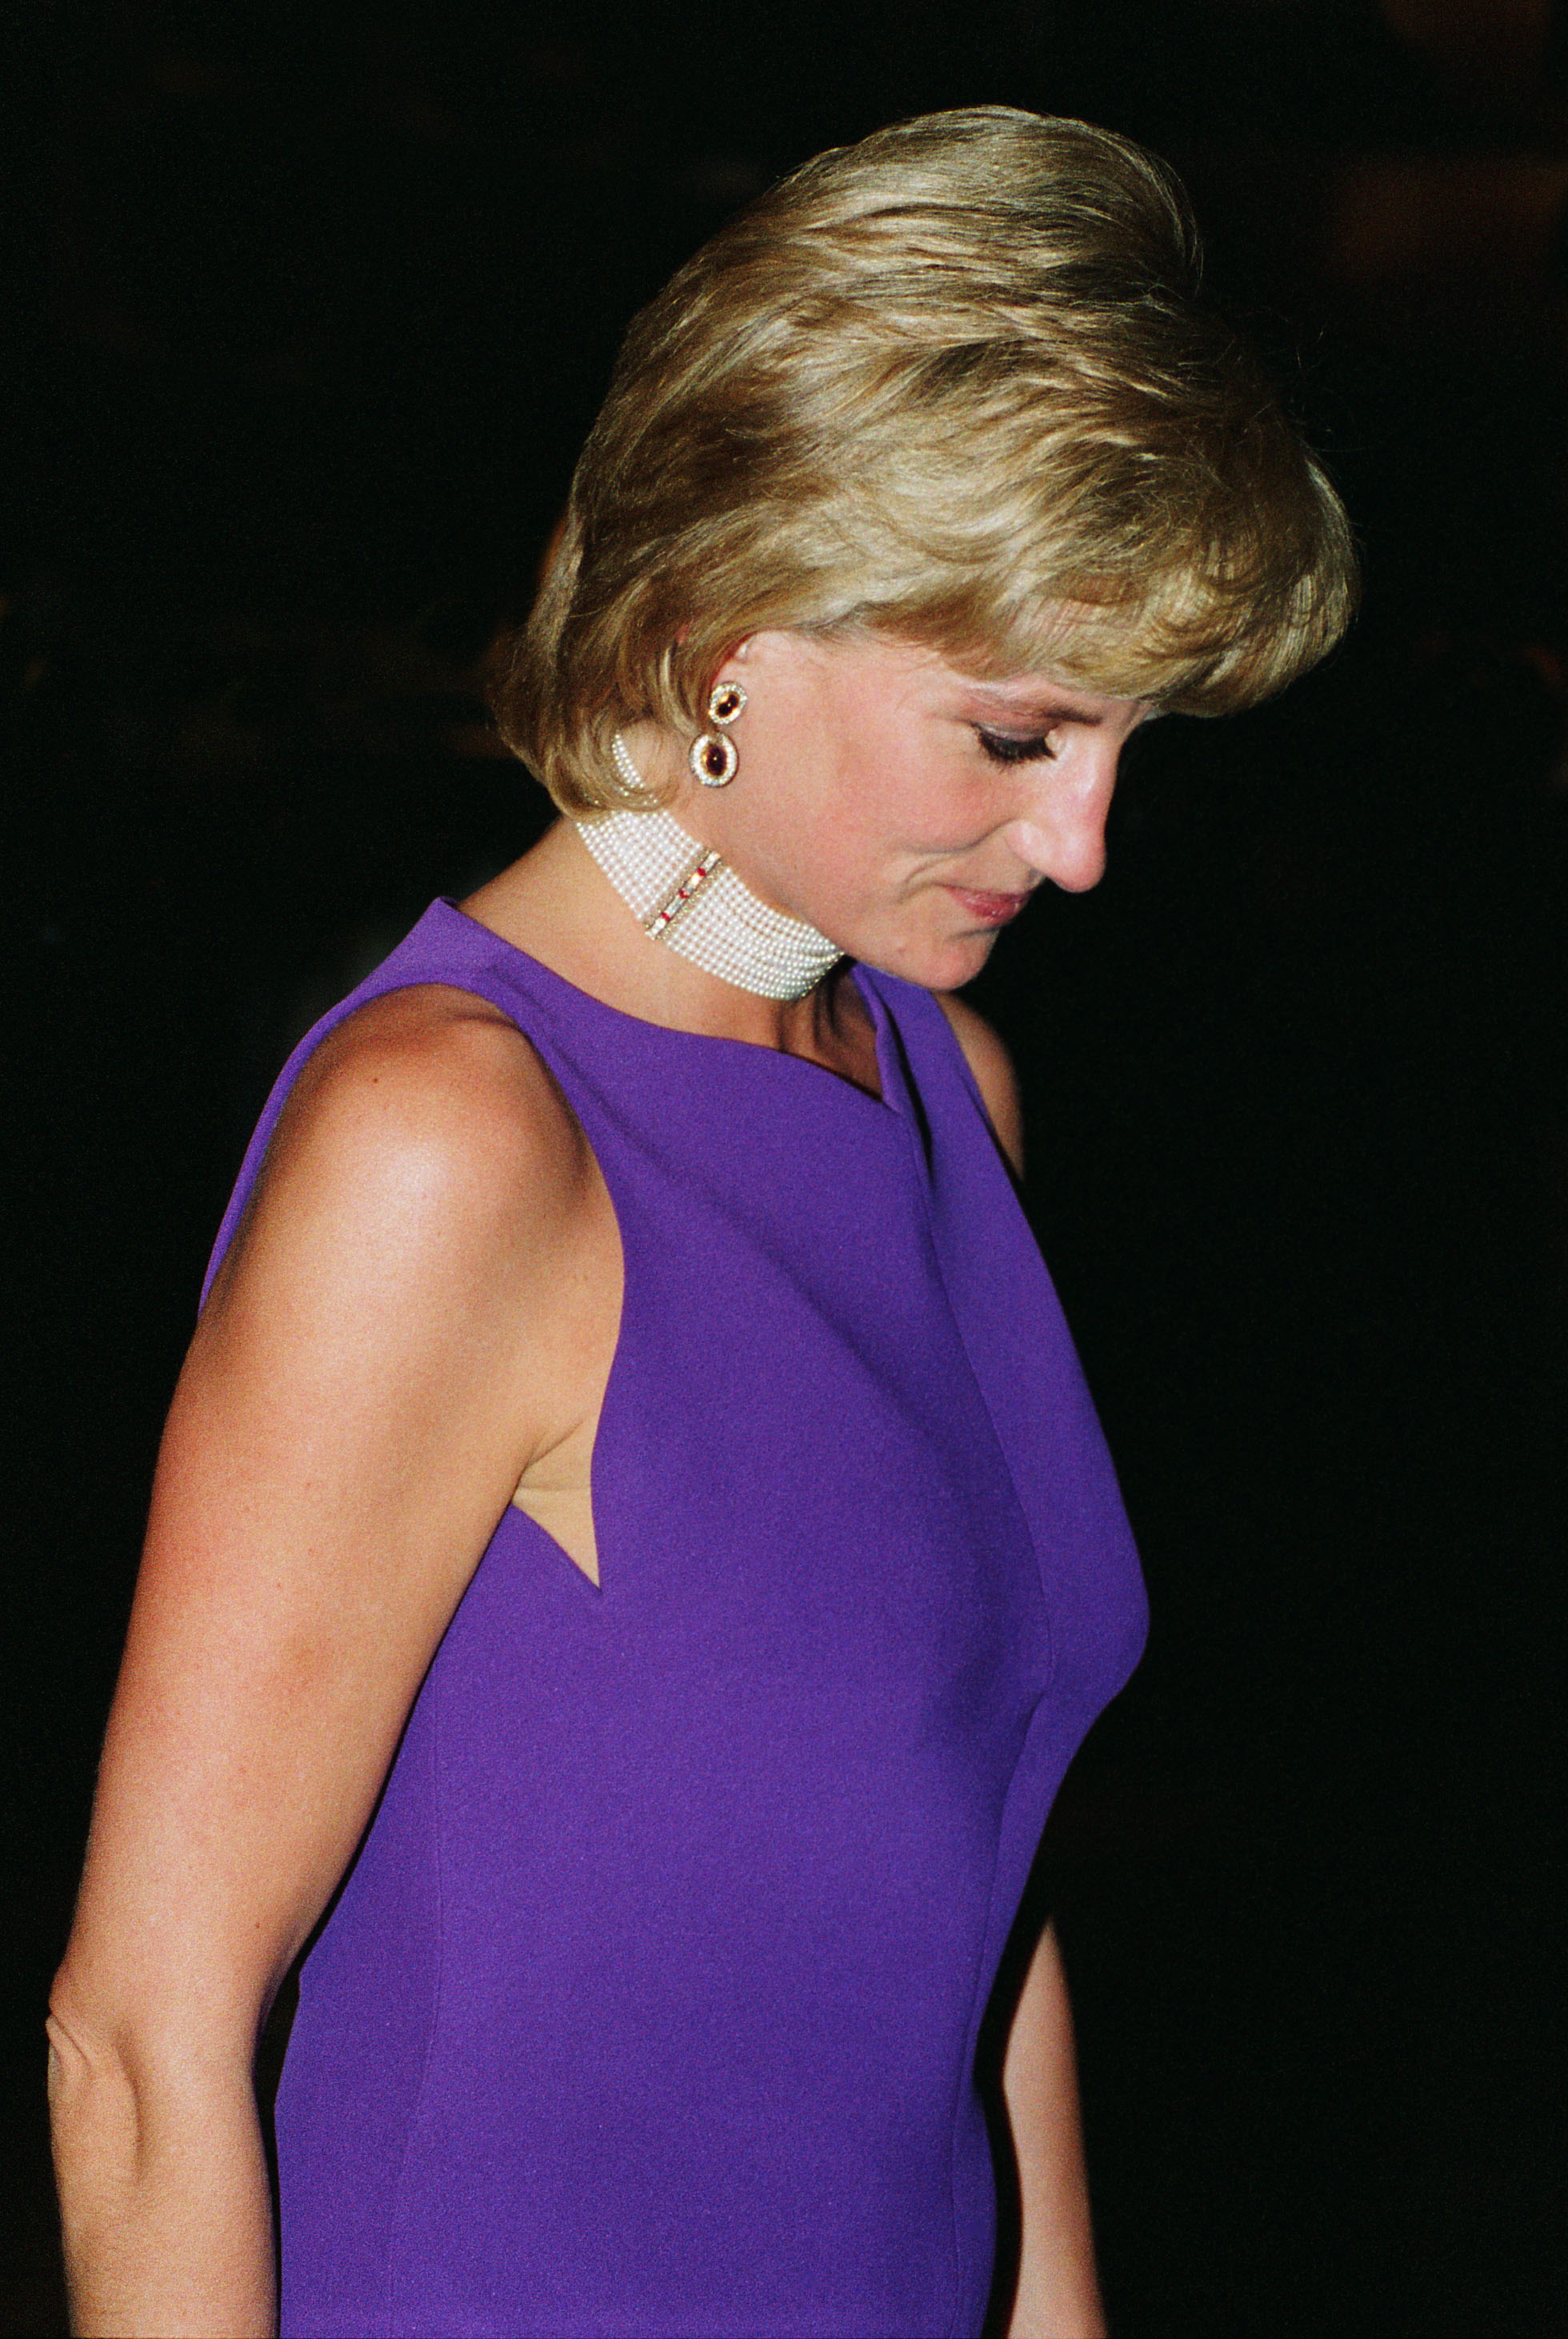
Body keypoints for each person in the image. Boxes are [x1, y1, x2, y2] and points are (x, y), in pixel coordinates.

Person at [47, 107, 1355, 2339]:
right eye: (1018, 733)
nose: (1087, 843)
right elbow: (141, 2041)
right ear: (735, 638)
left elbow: (980, 1874)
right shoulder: (459, 1140)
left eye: (1132, 743)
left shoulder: (950, 1090)